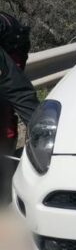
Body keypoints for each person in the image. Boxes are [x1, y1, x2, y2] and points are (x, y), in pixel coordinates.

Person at [0, 12, 38, 202]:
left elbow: (20, 93)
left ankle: (6, 177)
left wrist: (43, 135)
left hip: (12, 46)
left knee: (4, 108)